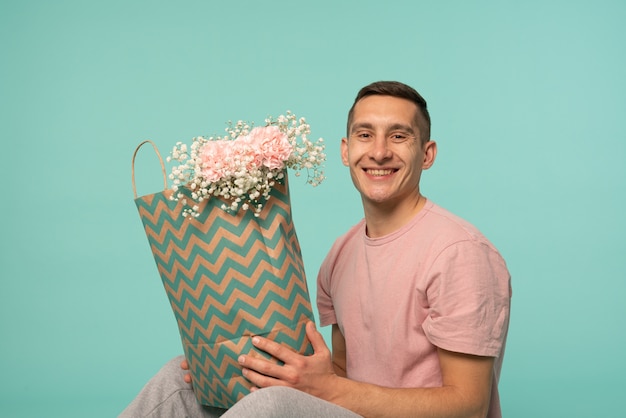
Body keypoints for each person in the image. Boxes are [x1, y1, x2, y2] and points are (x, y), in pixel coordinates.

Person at [120, 81, 511, 418]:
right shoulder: (341, 255)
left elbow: (469, 405)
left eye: (398, 136)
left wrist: (322, 389)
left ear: (426, 154)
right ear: (345, 151)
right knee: (181, 381)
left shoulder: (459, 253)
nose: (378, 152)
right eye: (364, 135)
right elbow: (342, 374)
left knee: (270, 407)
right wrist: (244, 368)